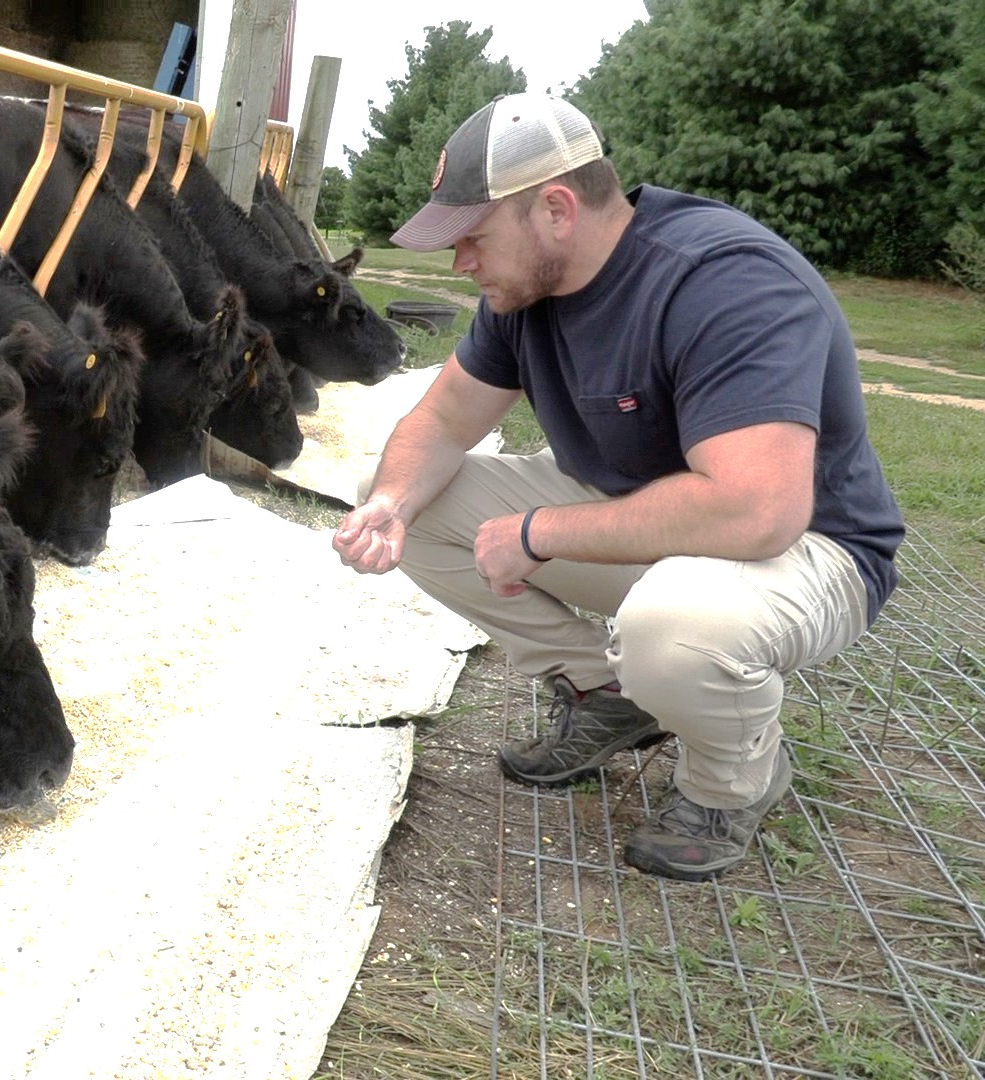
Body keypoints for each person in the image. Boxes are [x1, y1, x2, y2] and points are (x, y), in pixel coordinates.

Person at [333, 92, 903, 881]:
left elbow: (759, 509)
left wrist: (538, 533)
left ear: (555, 210)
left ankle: (731, 784)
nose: (459, 263)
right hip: (662, 521)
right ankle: (606, 693)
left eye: (472, 237)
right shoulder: (524, 291)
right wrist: (390, 504)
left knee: (672, 627)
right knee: (401, 495)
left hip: (809, 548)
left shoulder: (724, 283)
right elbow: (441, 420)